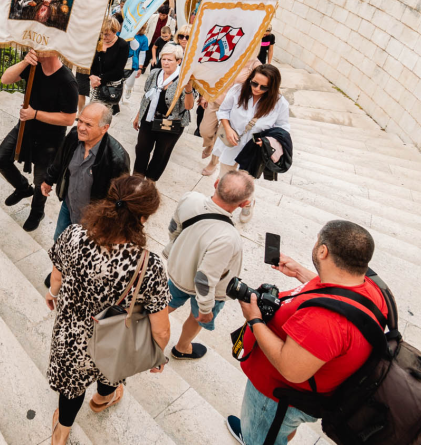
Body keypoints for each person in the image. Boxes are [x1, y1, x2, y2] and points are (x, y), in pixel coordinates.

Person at [227, 221, 385, 445]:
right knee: (276, 430)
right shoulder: (370, 286)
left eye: (317, 240)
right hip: (310, 392)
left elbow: (291, 369)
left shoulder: (324, 321)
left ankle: (254, 436)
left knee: (260, 438)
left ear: (323, 251)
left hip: (279, 398)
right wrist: (301, 272)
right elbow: (340, 292)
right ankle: (260, 431)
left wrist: (254, 320)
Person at [46, 175, 171, 443]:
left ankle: (61, 433)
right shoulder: (149, 265)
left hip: (72, 334)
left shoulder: (73, 235)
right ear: (143, 218)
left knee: (71, 387)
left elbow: (56, 278)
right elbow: (160, 328)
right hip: (114, 338)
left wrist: (52, 294)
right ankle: (103, 398)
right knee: (112, 368)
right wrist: (158, 354)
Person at [164, 171, 255, 359]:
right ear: (244, 204)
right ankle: (182, 348)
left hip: (179, 273)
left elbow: (174, 228)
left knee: (166, 304)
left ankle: (143, 328)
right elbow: (204, 280)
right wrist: (205, 310)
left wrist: (178, 249)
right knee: (196, 318)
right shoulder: (228, 237)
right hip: (207, 294)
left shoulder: (190, 199)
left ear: (216, 183)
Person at [0, 50, 77, 232]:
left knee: (41, 180)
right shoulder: (33, 67)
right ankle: (23, 188)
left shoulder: (67, 81)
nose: (35, 49)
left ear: (54, 50)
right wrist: (24, 63)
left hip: (50, 139)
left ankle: (37, 211)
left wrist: (35, 114)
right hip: (25, 129)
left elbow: (69, 119)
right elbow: (5, 79)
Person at [41, 102, 130, 243]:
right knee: (59, 242)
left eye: (88, 125)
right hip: (68, 206)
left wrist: (105, 226)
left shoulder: (117, 159)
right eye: (80, 121)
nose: (81, 127)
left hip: (93, 219)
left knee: (82, 254)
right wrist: (48, 179)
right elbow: (60, 160)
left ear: (104, 128)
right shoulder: (73, 136)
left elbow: (119, 200)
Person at [213, 64, 290, 221]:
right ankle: (220, 207)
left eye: (263, 87)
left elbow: (283, 128)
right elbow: (223, 111)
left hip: (255, 149)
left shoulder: (280, 103)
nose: (257, 88)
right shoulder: (238, 90)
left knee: (245, 183)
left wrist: (268, 141)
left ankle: (248, 203)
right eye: (254, 83)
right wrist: (228, 128)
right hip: (231, 143)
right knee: (224, 178)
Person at [132, 44, 195, 181]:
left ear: (179, 61)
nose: (165, 62)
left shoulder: (184, 79)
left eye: (170, 60)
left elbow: (189, 106)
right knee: (142, 149)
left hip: (170, 123)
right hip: (149, 118)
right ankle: (136, 180)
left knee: (161, 154)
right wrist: (138, 116)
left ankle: (150, 183)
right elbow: (146, 97)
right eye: (163, 59)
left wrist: (189, 89)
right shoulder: (155, 73)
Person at [200, 59, 257, 176]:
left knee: (221, 136)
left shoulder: (255, 65)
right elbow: (213, 76)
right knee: (205, 130)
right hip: (215, 99)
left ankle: (213, 163)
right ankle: (209, 145)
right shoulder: (229, 53)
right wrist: (205, 95)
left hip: (233, 107)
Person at [88, 17, 130, 110]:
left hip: (110, 87)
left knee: (102, 114)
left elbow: (118, 70)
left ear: (115, 32)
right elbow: (89, 61)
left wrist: (100, 79)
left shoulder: (122, 45)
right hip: (95, 84)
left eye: (107, 34)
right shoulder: (97, 41)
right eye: (102, 33)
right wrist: (91, 75)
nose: (103, 37)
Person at [122, 23, 150, 105]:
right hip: (123, 60)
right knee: (120, 82)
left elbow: (142, 53)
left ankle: (129, 89)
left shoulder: (144, 38)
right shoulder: (126, 34)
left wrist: (140, 67)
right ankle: (119, 99)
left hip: (134, 62)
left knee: (130, 82)